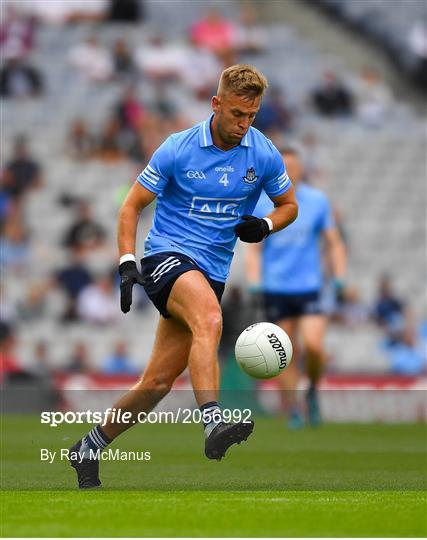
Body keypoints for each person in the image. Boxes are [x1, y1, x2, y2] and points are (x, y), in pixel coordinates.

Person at [69, 64, 298, 488]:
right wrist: (125, 260)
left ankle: (89, 445)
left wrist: (265, 225)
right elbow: (130, 206)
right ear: (216, 104)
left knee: (156, 383)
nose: (243, 124)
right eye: (236, 114)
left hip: (210, 272)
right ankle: (212, 423)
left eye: (252, 116)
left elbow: (289, 205)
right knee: (211, 319)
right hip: (166, 257)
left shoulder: (262, 152)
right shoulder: (177, 148)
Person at [246, 146, 347, 428]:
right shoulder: (263, 203)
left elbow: (334, 241)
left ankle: (312, 390)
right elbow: (253, 250)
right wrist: (255, 283)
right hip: (275, 288)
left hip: (309, 287)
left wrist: (339, 275)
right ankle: (293, 408)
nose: (289, 172)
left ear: (302, 169)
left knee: (314, 347)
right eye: (284, 167)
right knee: (283, 354)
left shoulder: (317, 201)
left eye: (294, 166)